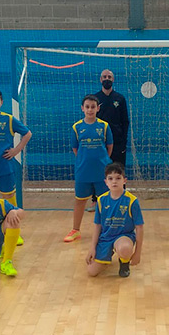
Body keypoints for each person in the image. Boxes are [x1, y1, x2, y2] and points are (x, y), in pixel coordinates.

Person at [64, 95, 113, 243]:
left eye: (93, 107)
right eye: (87, 107)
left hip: (102, 171)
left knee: (105, 201)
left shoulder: (104, 126)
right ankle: (76, 230)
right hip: (83, 171)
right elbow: (75, 148)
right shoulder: (76, 127)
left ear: (98, 108)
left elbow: (109, 146)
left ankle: (107, 230)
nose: (90, 109)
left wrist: (102, 161)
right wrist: (85, 160)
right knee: (80, 200)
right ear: (82, 108)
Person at [86, 163, 144, 278]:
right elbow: (97, 226)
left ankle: (124, 262)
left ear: (124, 180)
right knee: (91, 272)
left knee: (125, 248)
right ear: (106, 182)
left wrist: (137, 252)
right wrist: (92, 247)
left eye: (118, 178)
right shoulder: (101, 200)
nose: (114, 182)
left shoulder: (132, 201)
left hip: (124, 236)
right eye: (110, 178)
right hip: (106, 237)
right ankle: (107, 256)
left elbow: (139, 227)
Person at [88, 69, 130, 211]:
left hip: (117, 142)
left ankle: (121, 199)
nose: (107, 79)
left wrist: (124, 142)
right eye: (104, 77)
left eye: (109, 77)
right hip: (99, 143)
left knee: (118, 170)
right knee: (99, 171)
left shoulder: (120, 98)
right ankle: (96, 201)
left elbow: (125, 122)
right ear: (100, 79)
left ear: (113, 80)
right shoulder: (94, 99)